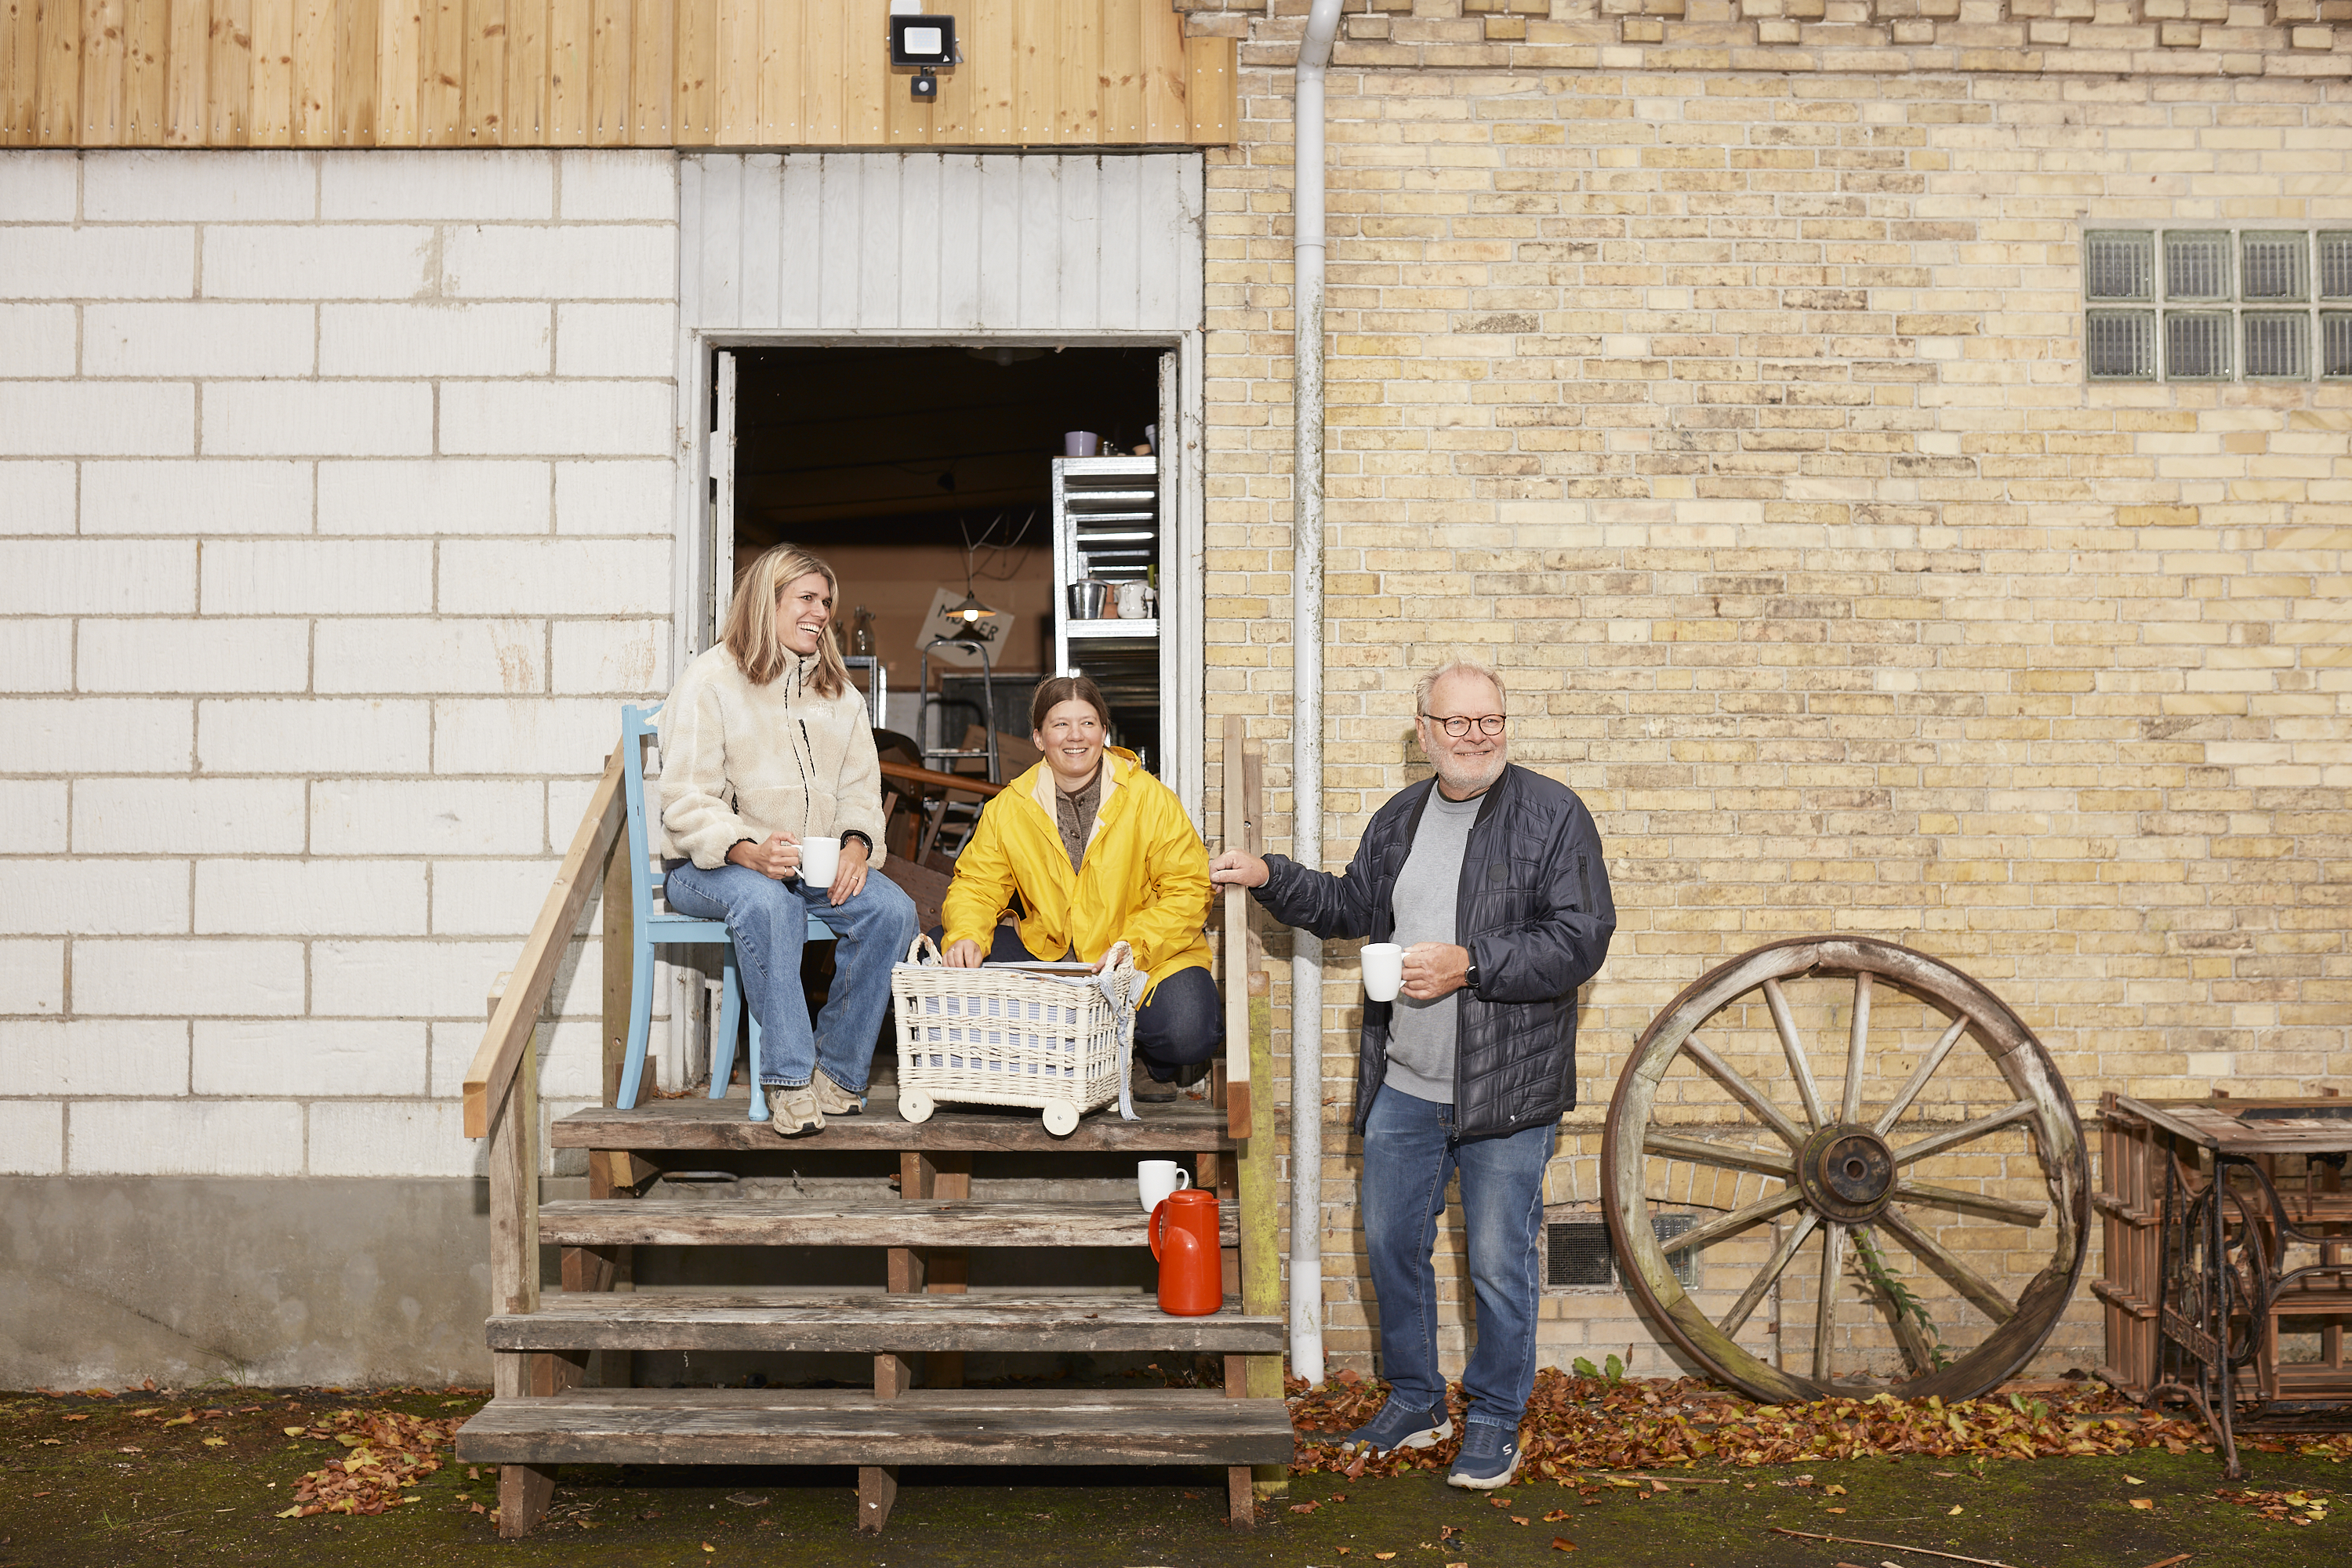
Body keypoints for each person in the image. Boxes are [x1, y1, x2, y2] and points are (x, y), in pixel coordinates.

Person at [1210, 655, 1614, 1490]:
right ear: (1423, 733)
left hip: (1509, 1089)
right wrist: (1270, 875)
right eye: (1458, 722)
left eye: (1490, 720)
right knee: (1392, 1245)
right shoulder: (1401, 816)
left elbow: (1582, 937)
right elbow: (1354, 905)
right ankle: (1418, 1399)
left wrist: (1472, 962)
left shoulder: (1553, 814)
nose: (1476, 736)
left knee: (1499, 1263)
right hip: (1405, 1083)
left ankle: (1497, 1416)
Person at [657, 545, 920, 1138]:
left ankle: (840, 1076)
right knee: (769, 902)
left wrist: (856, 843)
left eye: (826, 601)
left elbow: (859, 791)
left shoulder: (840, 695)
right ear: (766, 603)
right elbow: (685, 802)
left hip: (806, 862)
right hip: (710, 864)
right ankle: (788, 1078)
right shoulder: (711, 680)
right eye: (807, 599)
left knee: (892, 911)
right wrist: (744, 848)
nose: (822, 612)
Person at [939, 675, 1221, 1103]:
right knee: (966, 969)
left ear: (1104, 732)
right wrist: (965, 934)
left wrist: (1134, 946)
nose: (1076, 737)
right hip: (1056, 950)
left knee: (1190, 1029)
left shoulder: (1151, 799)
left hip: (1143, 953)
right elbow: (977, 885)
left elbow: (1189, 887)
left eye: (1088, 723)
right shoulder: (1010, 808)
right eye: (1060, 725)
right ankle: (1068, 1059)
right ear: (1038, 737)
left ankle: (1144, 1059)